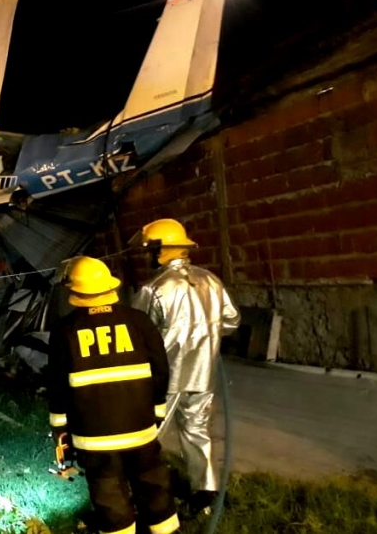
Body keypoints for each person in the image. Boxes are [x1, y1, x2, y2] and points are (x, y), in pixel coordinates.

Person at [48, 256, 179, 534]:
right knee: (152, 480)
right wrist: (156, 410)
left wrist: (59, 428)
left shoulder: (64, 330)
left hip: (94, 436)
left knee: (108, 489)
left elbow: (57, 384)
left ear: (75, 291)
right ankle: (166, 530)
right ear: (109, 286)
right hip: (139, 429)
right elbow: (160, 369)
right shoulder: (139, 321)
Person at [131, 218, 241, 517]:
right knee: (197, 431)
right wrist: (207, 335)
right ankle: (206, 493)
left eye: (148, 251)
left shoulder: (153, 289)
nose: (146, 256)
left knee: (145, 433)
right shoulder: (211, 280)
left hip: (163, 377)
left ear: (159, 252)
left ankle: (140, 493)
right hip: (202, 374)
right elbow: (232, 321)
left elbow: (135, 332)